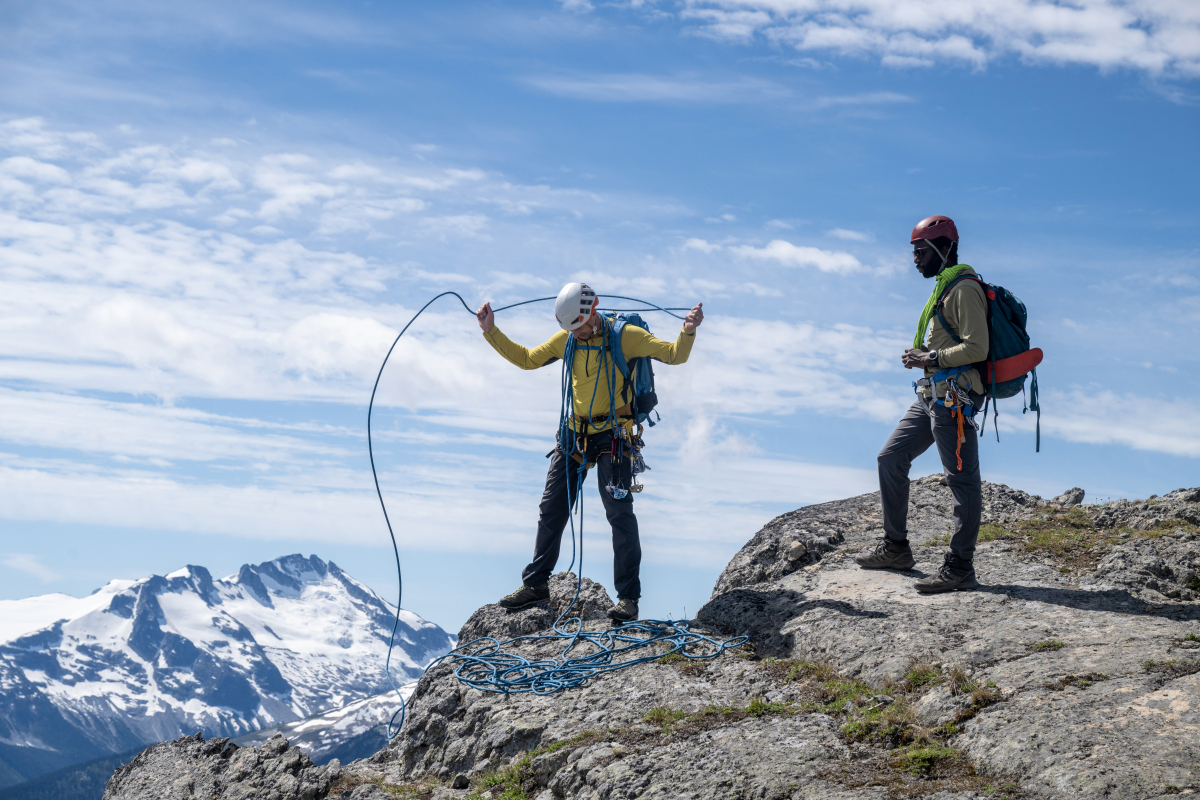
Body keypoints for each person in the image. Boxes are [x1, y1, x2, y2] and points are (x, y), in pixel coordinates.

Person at [476, 283, 704, 621]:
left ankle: (628, 599)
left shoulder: (626, 336)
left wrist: (687, 330)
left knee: (619, 514)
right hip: (576, 434)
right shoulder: (568, 339)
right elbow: (527, 359)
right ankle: (536, 584)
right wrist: (491, 331)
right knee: (551, 509)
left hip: (614, 434)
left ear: (592, 312)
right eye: (570, 329)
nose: (576, 334)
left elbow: (674, 354)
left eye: (579, 327)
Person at [855, 215, 988, 593]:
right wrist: (926, 359)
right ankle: (896, 548)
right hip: (931, 395)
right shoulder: (944, 289)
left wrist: (928, 358)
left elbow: (978, 347)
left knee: (961, 480)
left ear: (944, 248)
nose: (915, 259)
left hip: (954, 399)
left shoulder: (964, 289)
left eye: (921, 251)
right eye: (913, 251)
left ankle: (960, 567)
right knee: (890, 458)